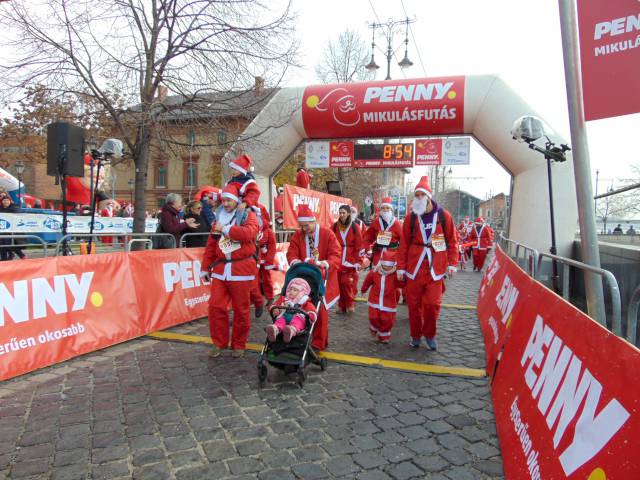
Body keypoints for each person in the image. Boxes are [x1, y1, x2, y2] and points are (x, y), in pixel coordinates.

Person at [397, 176, 458, 351]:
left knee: (432, 304)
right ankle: (416, 336)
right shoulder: (411, 218)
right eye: (416, 195)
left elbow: (452, 241)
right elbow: (404, 244)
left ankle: (430, 334)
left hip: (435, 268)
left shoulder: (444, 216)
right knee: (413, 305)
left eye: (421, 195)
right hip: (414, 268)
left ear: (428, 197)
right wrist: (400, 267)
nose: (418, 198)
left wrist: (452, 263)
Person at [200, 184, 259, 358]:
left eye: (229, 200)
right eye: (223, 200)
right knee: (215, 306)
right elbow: (211, 245)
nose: (225, 204)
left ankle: (239, 344)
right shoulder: (218, 218)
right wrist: (205, 267)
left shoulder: (247, 215)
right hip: (221, 269)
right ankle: (219, 342)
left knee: (241, 310)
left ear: (236, 201)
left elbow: (248, 234)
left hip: (241, 270)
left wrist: (225, 229)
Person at [286, 204, 341, 351]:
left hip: (322, 279)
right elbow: (291, 252)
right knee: (300, 309)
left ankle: (318, 343)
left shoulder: (327, 234)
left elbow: (336, 254)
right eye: (302, 226)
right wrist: (294, 261)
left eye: (307, 225)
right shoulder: (298, 235)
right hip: (303, 279)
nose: (304, 229)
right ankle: (298, 336)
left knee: (320, 312)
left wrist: (326, 263)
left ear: (314, 220)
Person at [361, 250, 402, 344]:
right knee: (373, 317)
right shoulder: (374, 272)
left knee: (387, 320)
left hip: (388, 302)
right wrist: (363, 289)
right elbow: (367, 281)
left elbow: (402, 284)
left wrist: (402, 277)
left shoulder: (395, 275)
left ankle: (384, 335)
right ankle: (374, 327)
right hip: (374, 300)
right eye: (384, 265)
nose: (386, 268)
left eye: (389, 266)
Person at [331, 204, 363, 315]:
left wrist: (358, 260)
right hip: (338, 257)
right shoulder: (335, 226)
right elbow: (329, 238)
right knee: (338, 283)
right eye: (340, 213)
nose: (341, 215)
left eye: (343, 213)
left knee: (347, 282)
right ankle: (341, 306)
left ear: (348, 213)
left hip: (350, 258)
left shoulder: (355, 227)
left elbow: (359, 245)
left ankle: (350, 304)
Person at [266, 278, 317, 343]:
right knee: (279, 321)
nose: (291, 291)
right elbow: (274, 305)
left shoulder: (304, 302)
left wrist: (311, 314)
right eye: (290, 289)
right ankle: (274, 330)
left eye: (295, 290)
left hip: (298, 318)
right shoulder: (284, 299)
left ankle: (290, 331)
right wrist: (275, 309)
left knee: (298, 322)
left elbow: (312, 310)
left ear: (301, 293)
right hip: (284, 316)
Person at [364, 197, 403, 267]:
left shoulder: (397, 223)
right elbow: (368, 237)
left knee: (390, 272)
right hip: (378, 253)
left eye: (387, 208)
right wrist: (366, 248)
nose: (385, 210)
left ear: (391, 210)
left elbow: (403, 240)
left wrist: (401, 255)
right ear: (380, 210)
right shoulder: (376, 222)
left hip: (392, 254)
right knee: (376, 272)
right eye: (383, 208)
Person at [0, 194, 26, 260]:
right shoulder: (0, 208)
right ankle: (4, 259)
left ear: (10, 201)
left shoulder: (14, 207)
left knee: (9, 244)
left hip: (11, 230)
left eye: (7, 200)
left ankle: (22, 255)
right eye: (4, 200)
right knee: (1, 244)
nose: (6, 202)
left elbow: (17, 216)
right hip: (2, 229)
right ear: (2, 201)